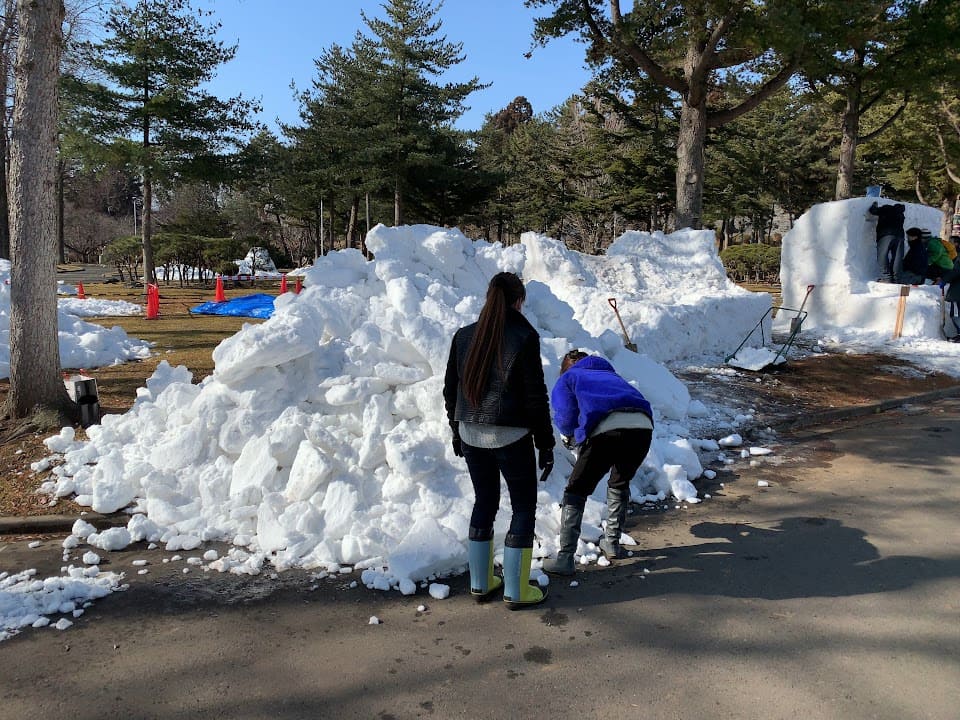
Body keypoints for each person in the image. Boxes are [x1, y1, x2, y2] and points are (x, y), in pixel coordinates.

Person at [443, 271, 554, 609]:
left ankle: (480, 582)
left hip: (471, 432)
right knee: (523, 507)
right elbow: (535, 396)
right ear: (518, 301)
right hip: (511, 435)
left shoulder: (464, 336)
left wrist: (455, 430)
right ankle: (516, 590)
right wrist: (545, 443)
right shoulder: (524, 335)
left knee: (485, 502)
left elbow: (450, 389)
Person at [542, 350, 654, 576]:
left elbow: (564, 413)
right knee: (619, 482)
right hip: (642, 428)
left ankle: (565, 558)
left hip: (606, 431)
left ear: (565, 367)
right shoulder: (611, 375)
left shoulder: (569, 377)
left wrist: (571, 436)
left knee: (576, 490)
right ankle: (612, 543)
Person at [868, 201, 905, 283]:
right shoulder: (900, 213)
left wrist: (874, 205)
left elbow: (872, 211)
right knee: (897, 257)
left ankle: (886, 277)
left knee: (882, 256)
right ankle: (897, 278)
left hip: (886, 235)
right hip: (900, 236)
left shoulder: (886, 208)